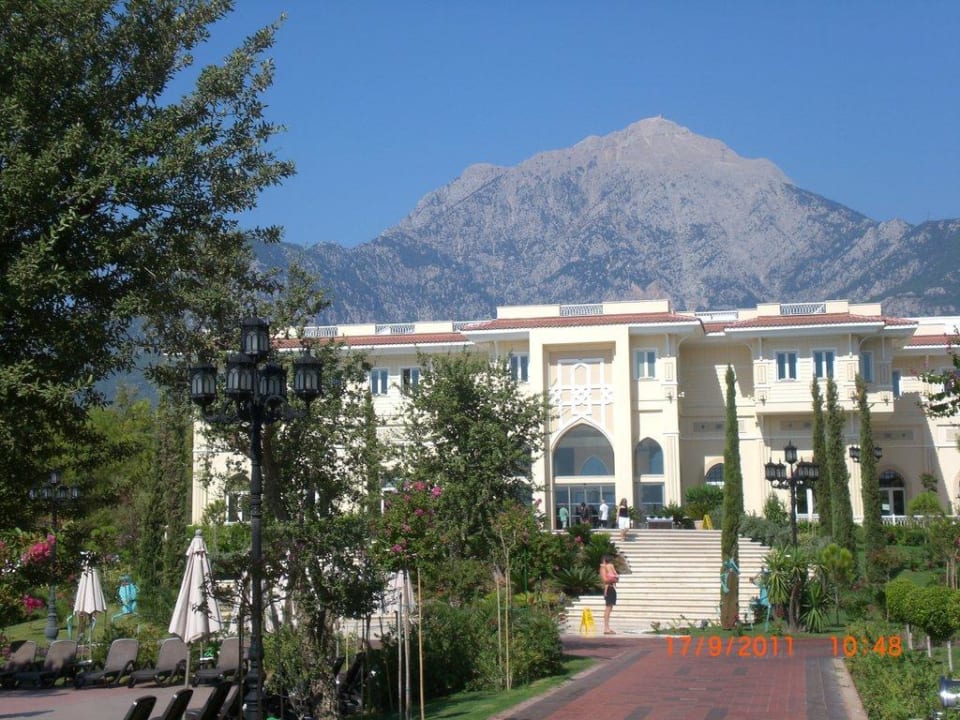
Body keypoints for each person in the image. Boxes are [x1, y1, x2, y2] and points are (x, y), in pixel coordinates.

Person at [599, 554, 619, 634]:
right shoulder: (603, 568)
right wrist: (613, 579)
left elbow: (616, 578)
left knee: (610, 608)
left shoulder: (609, 567)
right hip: (608, 588)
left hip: (612, 588)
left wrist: (614, 578)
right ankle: (606, 628)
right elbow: (605, 580)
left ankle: (607, 627)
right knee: (608, 608)